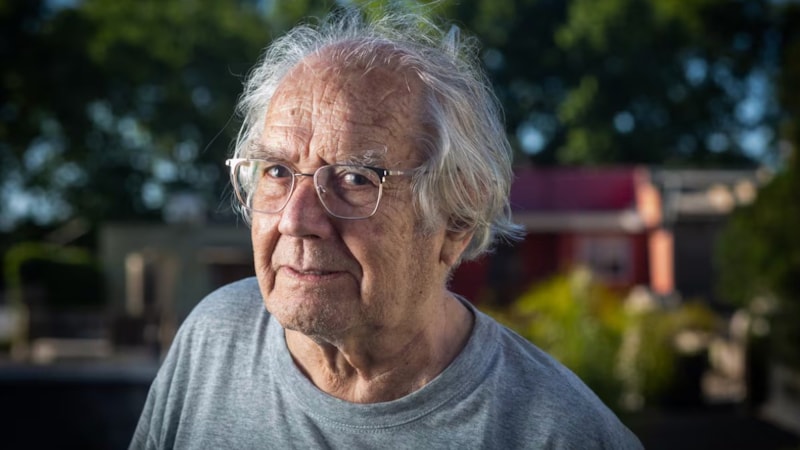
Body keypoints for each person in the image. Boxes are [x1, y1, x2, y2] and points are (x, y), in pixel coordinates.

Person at [130, 7, 642, 449]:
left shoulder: (560, 433)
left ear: (456, 220)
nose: (295, 219)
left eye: (354, 179)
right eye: (278, 171)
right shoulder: (214, 337)